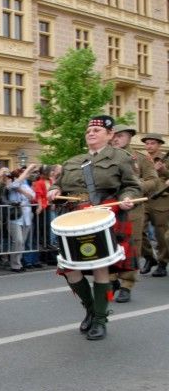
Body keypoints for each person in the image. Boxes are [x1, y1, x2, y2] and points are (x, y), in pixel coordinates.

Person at [47, 115, 140, 341]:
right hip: (75, 219)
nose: (91, 133)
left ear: (110, 135)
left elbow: (131, 186)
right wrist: (54, 190)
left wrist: (128, 197)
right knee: (70, 269)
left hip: (105, 217)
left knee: (101, 269)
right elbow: (60, 185)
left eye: (97, 130)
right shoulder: (72, 161)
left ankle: (99, 319)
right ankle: (91, 309)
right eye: (89, 130)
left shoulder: (121, 157)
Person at [109, 125, 159, 302]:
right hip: (110, 208)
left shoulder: (140, 159)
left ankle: (126, 284)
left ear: (129, 137)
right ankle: (111, 279)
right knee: (110, 244)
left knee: (131, 245)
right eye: (113, 135)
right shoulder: (105, 157)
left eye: (120, 136)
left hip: (132, 208)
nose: (115, 139)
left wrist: (136, 187)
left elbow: (154, 181)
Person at [140, 133, 168, 276]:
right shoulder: (142, 160)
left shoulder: (166, 159)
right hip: (144, 198)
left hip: (161, 199)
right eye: (147, 143)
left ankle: (162, 262)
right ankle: (149, 257)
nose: (149, 146)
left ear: (159, 145)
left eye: (152, 143)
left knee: (161, 233)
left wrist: (163, 170)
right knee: (137, 229)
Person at [3, 165, 37, 273]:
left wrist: (21, 190)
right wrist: (28, 169)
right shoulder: (10, 185)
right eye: (21, 175)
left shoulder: (25, 186)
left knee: (22, 242)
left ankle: (19, 263)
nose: (24, 177)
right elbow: (15, 185)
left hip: (26, 216)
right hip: (14, 217)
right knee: (18, 240)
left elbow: (32, 196)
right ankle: (15, 264)